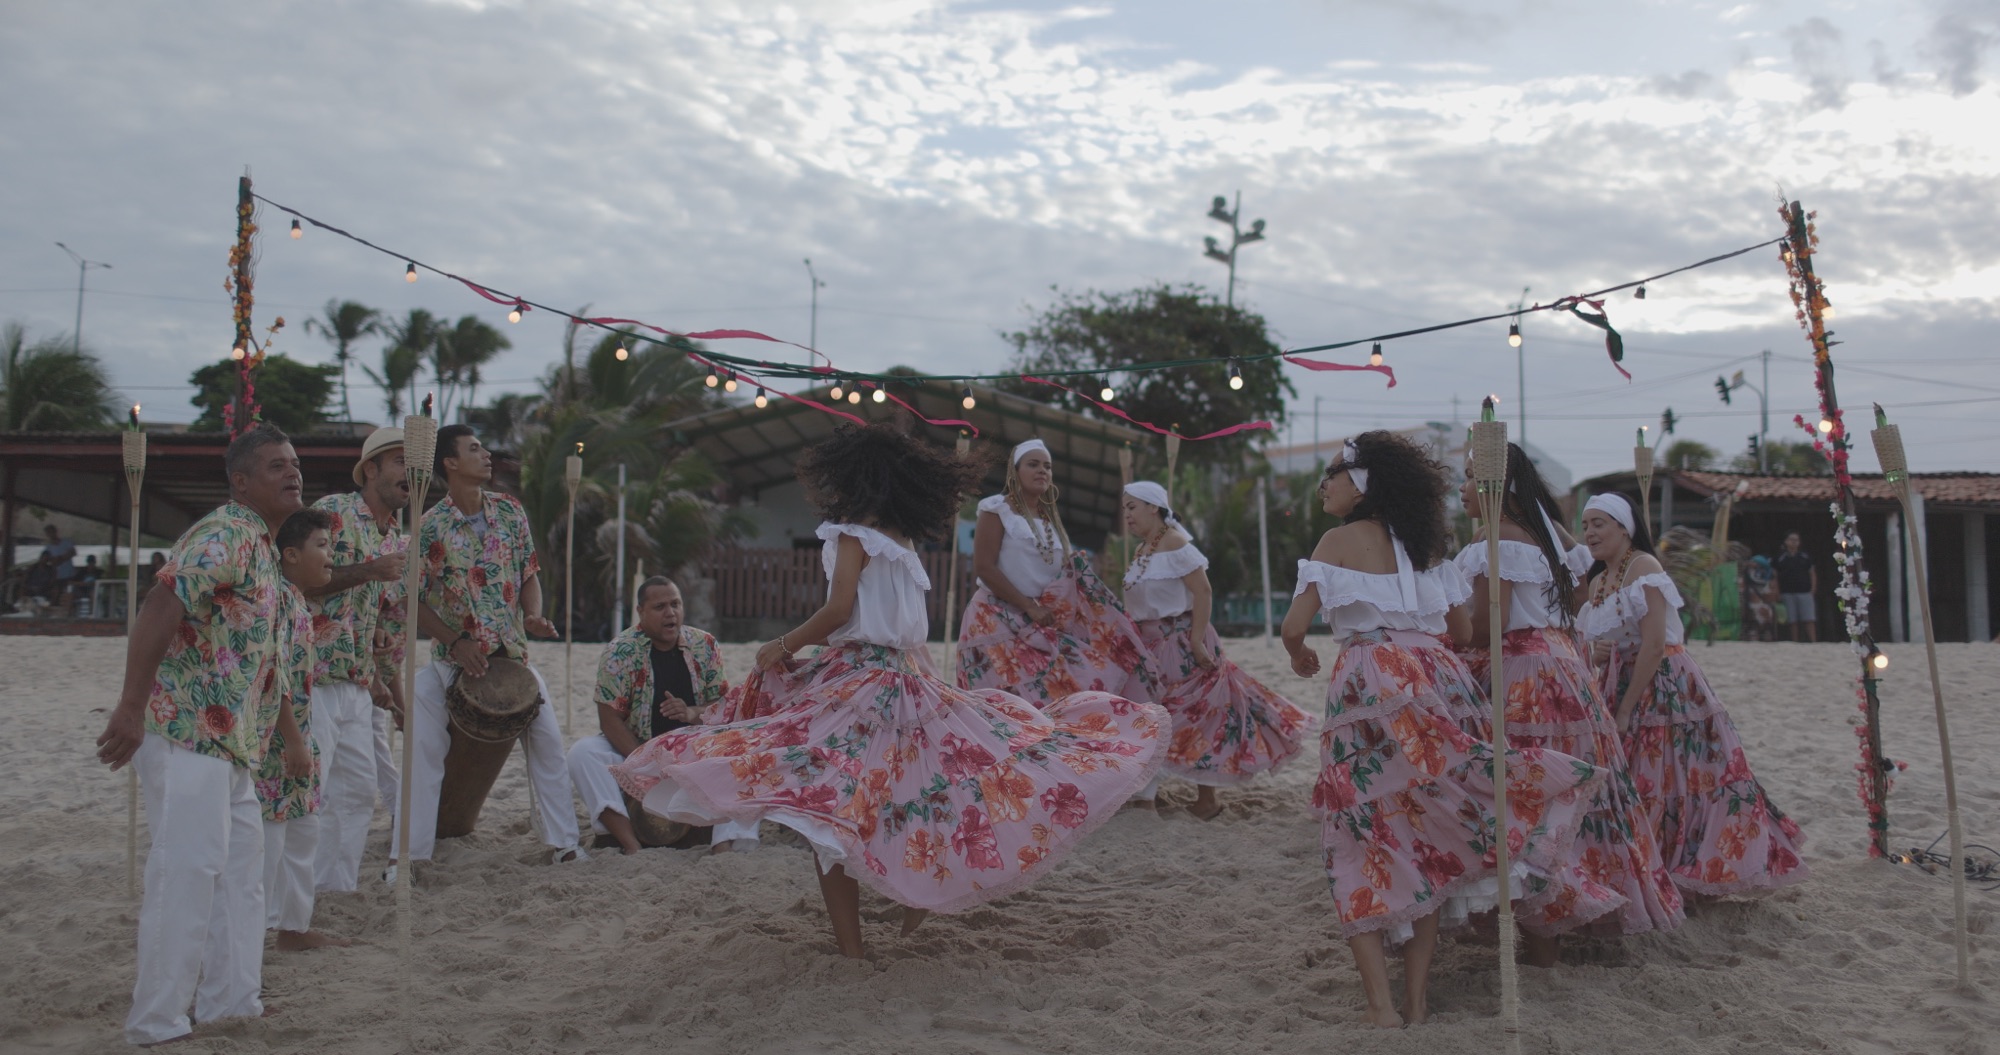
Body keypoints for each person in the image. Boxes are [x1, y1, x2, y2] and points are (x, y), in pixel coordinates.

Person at [613, 423, 1168, 959]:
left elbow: (836, 611)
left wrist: (781, 645)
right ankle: (917, 905)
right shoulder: (902, 538)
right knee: (930, 794)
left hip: (863, 681)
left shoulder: (853, 533)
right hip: (908, 677)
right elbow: (909, 629)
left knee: (830, 812)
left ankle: (854, 949)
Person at [1279, 431, 1604, 1029]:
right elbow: (1461, 629)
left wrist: (1299, 654)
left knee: (1359, 832)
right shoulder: (1429, 547)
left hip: (1368, 683)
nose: (1324, 484)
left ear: (1364, 482)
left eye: (1333, 474)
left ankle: (1381, 1006)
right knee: (1426, 833)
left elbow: (1295, 624)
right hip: (1436, 679)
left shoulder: (1336, 540)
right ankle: (1418, 1000)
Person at [93, 423, 307, 1046]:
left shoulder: (262, 549)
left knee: (242, 877)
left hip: (232, 743)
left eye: (293, 463)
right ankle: (155, 1020)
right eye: (274, 466)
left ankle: (230, 1001)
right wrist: (130, 706)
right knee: (186, 872)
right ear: (241, 482)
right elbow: (162, 606)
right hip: (184, 729)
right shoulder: (225, 532)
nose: (291, 472)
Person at [1453, 445, 1682, 964]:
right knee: (1568, 796)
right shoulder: (1551, 533)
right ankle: (1564, 922)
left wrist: (1447, 629)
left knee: (1528, 799)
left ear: (1496, 486)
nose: (1462, 489)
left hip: (1521, 676)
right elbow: (1577, 598)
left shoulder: (1498, 538)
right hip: (1565, 666)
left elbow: (1490, 624)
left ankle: (1543, 940)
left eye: (1469, 477)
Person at [1578, 493, 1808, 896]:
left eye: (1599, 523)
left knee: (1677, 775)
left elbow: (1652, 645)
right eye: (1586, 525)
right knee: (1636, 776)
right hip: (1619, 680)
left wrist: (1627, 708)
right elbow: (1603, 642)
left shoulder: (1644, 567)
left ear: (1623, 527)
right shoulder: (1597, 582)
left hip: (1666, 684)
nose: (1590, 533)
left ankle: (1683, 869)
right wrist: (1598, 653)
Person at [387, 424, 583, 876]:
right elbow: (412, 600)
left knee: (549, 744)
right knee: (424, 751)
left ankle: (565, 845)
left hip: (512, 659)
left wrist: (533, 616)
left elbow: (529, 572)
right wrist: (456, 644)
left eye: (485, 446)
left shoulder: (510, 511)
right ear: (450, 464)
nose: (487, 454)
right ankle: (409, 856)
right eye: (475, 449)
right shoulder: (431, 525)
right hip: (450, 664)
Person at [1119, 480, 1310, 818]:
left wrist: (1195, 640)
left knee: (1193, 714)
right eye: (1125, 508)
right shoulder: (1141, 550)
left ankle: (1182, 799)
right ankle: (1148, 796)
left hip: (1179, 640)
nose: (1127, 515)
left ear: (1153, 507)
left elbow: (1203, 592)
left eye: (1132, 507)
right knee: (1153, 714)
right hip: (1148, 644)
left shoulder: (1176, 544)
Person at [956, 439, 1156, 707]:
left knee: (1071, 688)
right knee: (1011, 706)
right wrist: (1028, 606)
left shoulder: (1050, 520)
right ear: (1015, 472)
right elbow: (984, 567)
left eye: (1047, 467)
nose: (1042, 471)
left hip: (1037, 619)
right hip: (995, 618)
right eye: (1033, 464)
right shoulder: (996, 509)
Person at [567, 575, 756, 855]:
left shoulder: (705, 645)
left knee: (745, 747)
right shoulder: (620, 652)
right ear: (641, 612)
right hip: (637, 747)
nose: (670, 613)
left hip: (692, 748)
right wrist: (644, 762)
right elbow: (609, 720)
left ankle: (723, 844)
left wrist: (693, 712)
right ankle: (628, 842)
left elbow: (723, 706)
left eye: (675, 604)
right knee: (582, 753)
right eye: (660, 607)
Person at [305, 427, 411, 893]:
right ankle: (285, 905)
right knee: (311, 789)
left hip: (356, 679)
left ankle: (334, 890)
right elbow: (301, 581)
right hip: (313, 674)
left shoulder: (396, 534)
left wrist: (381, 654)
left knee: (354, 792)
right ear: (371, 470)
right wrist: (369, 571)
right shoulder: (334, 513)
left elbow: (374, 614)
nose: (412, 475)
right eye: (401, 463)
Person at [259, 507, 351, 951]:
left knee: (303, 832)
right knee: (268, 846)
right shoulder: (274, 598)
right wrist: (294, 741)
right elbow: (269, 673)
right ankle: (253, 934)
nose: (330, 556)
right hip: (276, 744)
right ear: (290, 555)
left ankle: (294, 927)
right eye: (321, 546)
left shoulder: (298, 601)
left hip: (299, 739)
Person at [1772, 532, 1817, 643]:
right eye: (1791, 539)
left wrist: (1813, 588)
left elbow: (1812, 573)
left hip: (1804, 591)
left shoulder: (1805, 557)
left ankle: (1813, 641)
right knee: (1792, 620)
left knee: (1809, 619)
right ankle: (1795, 641)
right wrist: (1777, 591)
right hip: (1787, 592)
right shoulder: (1780, 558)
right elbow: (1774, 576)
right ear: (1786, 542)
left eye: (1796, 540)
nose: (1793, 542)